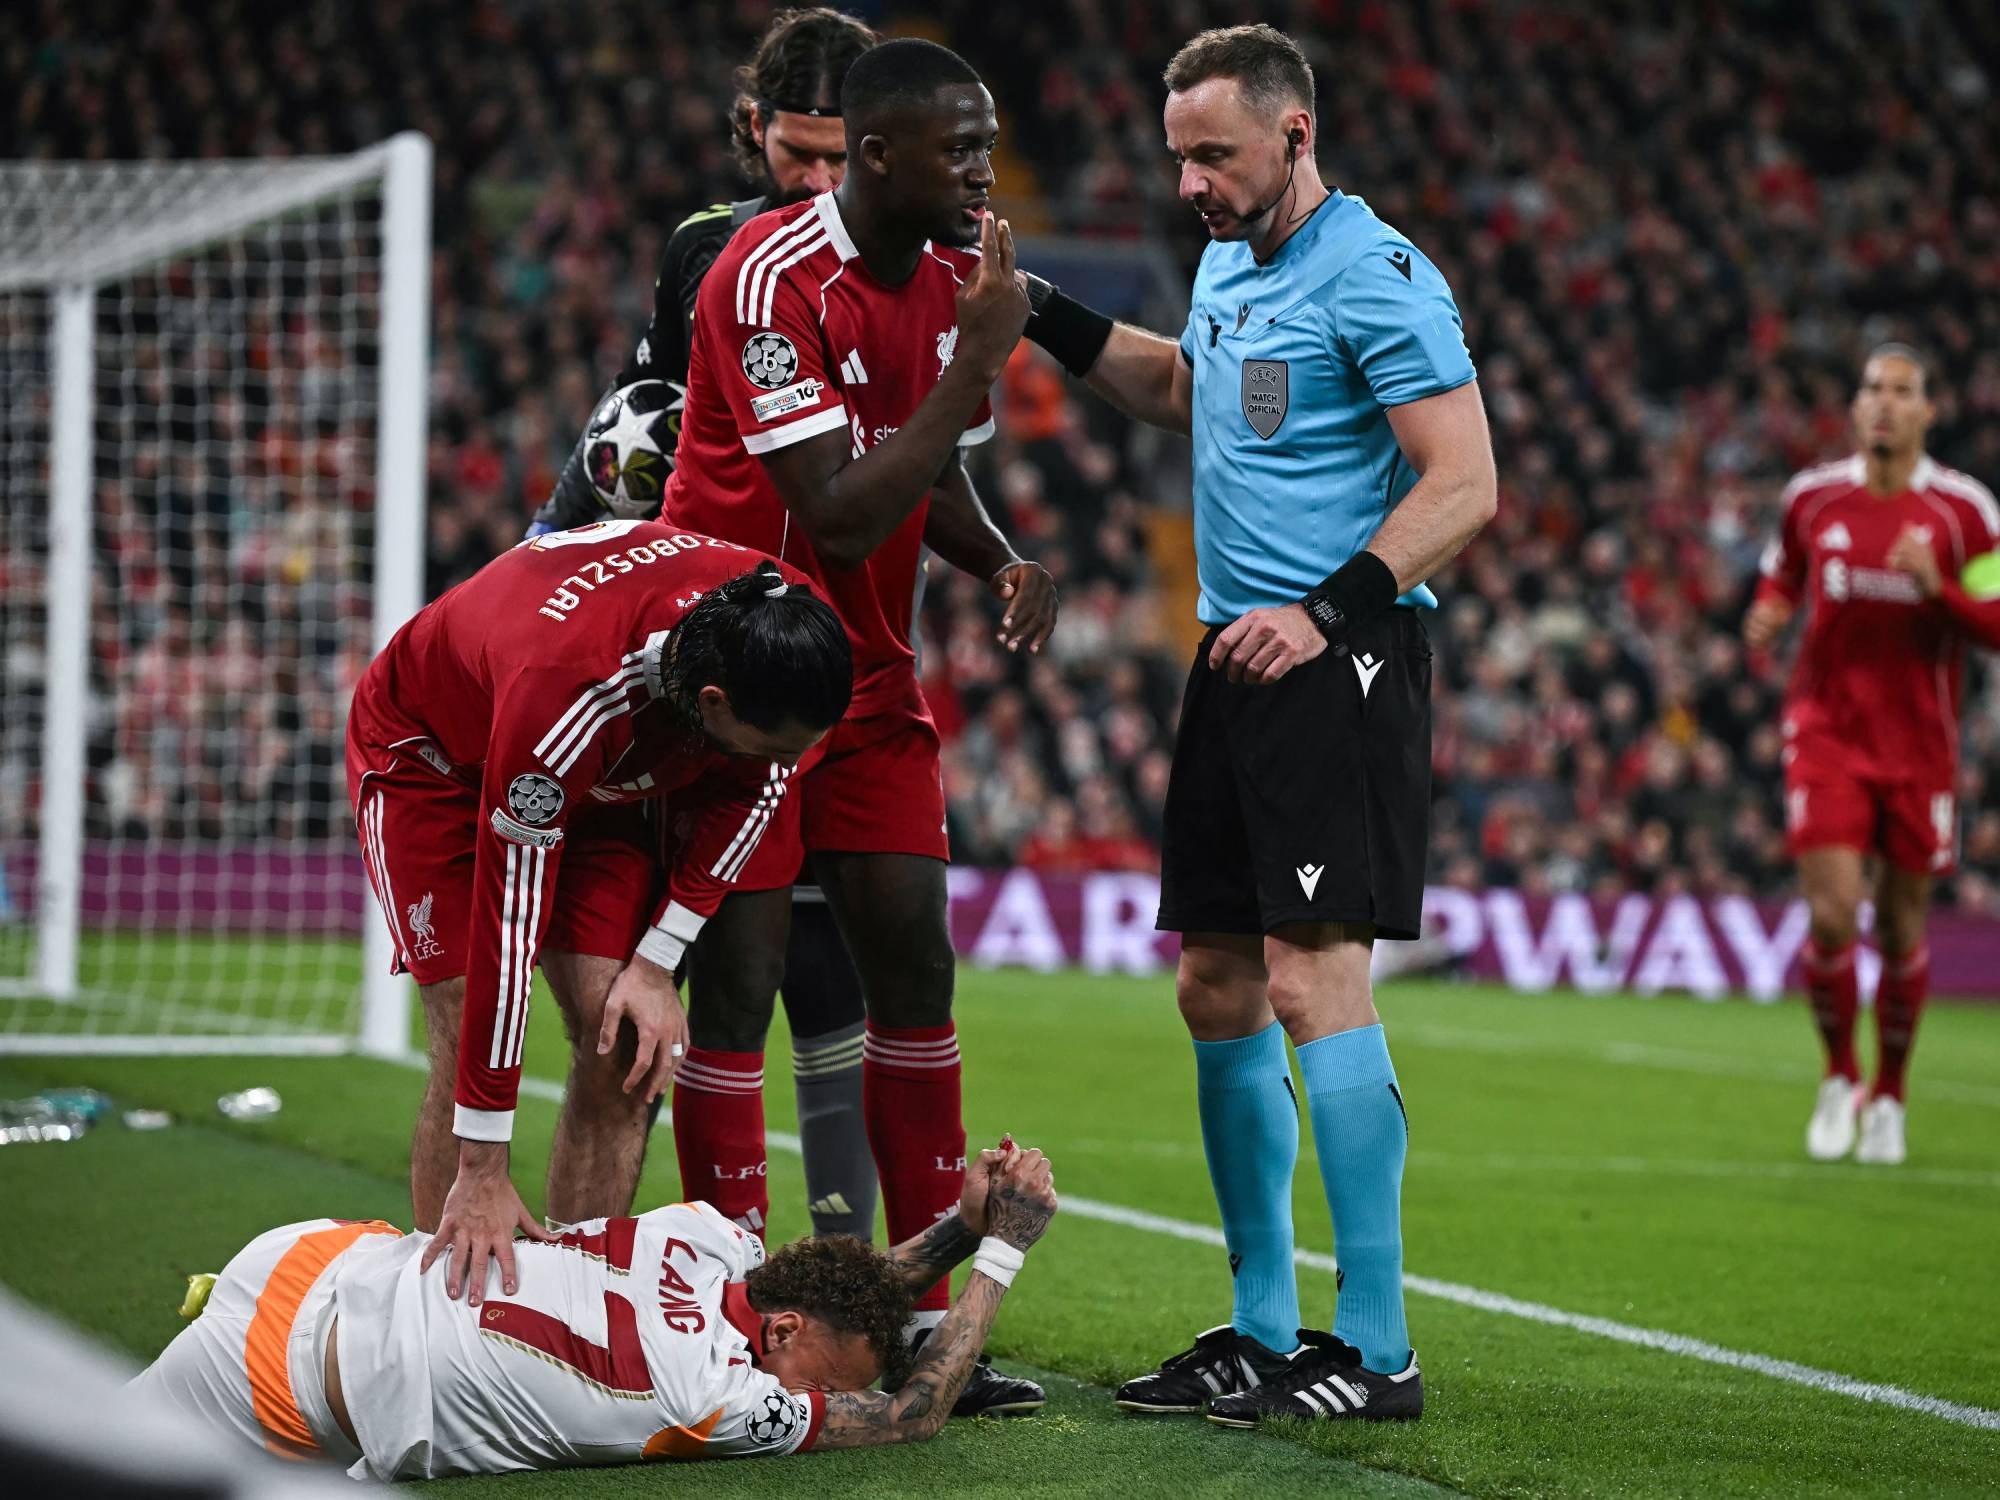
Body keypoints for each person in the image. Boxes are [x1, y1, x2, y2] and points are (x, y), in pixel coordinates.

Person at [1014, 24, 1494, 1423]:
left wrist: (1327, 612)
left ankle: (1379, 1347)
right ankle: (1261, 1326)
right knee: (1213, 985)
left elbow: (1464, 483)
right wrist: (1038, 305)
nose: (1190, 187)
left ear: (1295, 136)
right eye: (1178, 159)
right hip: (1236, 658)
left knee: (1307, 979)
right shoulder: (1232, 262)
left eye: (1213, 156)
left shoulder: (1380, 274)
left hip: (1336, 660)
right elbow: (1185, 391)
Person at [659, 35, 1056, 1417]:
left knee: (918, 978)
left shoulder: (955, 280)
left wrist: (995, 551)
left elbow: (920, 471)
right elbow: (832, 506)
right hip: (748, 691)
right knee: (741, 989)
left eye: (987, 144)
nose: (980, 172)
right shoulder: (763, 280)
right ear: (878, 157)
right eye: (958, 149)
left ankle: (929, 1332)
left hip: (875, 685)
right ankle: (733, 1315)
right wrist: (979, 365)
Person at [528, 6, 885, 1247]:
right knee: (729, 974)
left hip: (858, 655)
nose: (821, 182)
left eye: (845, 157)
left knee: (843, 979)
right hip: (727, 655)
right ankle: (716, 1274)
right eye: (800, 153)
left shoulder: (919, 251)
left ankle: (851, 1272)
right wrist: (546, 545)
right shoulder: (707, 252)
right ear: (753, 130)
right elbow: (645, 419)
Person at [346, 526, 851, 1307]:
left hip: (611, 774)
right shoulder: (569, 693)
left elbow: (760, 788)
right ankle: (444, 1329)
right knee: (463, 1009)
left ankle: (571, 1319)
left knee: (624, 1041)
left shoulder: (783, 626)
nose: (783, 763)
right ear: (712, 704)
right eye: (770, 748)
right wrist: (485, 1163)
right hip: (438, 760)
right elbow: (510, 932)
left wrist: (656, 964)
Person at [129, 1143, 1058, 1478]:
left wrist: (959, 1229)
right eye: (826, 1384)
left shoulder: (704, 1237)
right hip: (284, 1387)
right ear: (778, 1333)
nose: (828, 1403)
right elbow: (911, 1416)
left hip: (321, 1255)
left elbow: (834, 1291)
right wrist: (1005, 1247)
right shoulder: (713, 1397)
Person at [1744, 345, 2000, 1167]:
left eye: (1903, 392)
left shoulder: (1967, 514)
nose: (1885, 404)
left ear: (1929, 410)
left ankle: (1890, 1092)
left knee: (1899, 931)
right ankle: (1839, 1076)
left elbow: (1995, 623)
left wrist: (1940, 589)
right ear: (1855, 409)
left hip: (1920, 748)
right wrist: (1769, 613)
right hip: (1825, 733)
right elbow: (1782, 575)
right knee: (1829, 914)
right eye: (1872, 391)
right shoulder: (1813, 498)